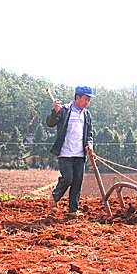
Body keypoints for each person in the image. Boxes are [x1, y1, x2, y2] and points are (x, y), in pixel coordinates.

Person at [46, 86, 94, 217]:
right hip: (65, 152)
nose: (87, 102)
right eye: (86, 99)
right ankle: (55, 197)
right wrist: (55, 112)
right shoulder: (64, 110)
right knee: (67, 178)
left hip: (80, 154)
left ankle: (73, 210)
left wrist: (89, 145)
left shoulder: (86, 114)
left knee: (77, 180)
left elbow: (89, 133)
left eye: (89, 100)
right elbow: (50, 123)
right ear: (77, 97)